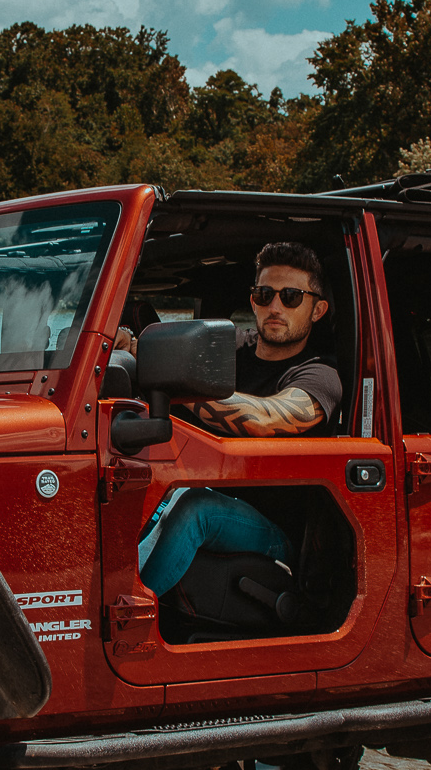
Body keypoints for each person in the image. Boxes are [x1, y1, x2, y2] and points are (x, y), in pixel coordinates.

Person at [132, 242, 342, 600]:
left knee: (194, 507)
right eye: (264, 294)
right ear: (253, 301)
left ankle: (125, 615)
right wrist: (133, 349)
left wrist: (165, 375)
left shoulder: (320, 374)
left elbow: (261, 420)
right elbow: (167, 359)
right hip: (194, 487)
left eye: (291, 297)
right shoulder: (225, 351)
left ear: (317, 310)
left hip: (276, 531)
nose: (275, 307)